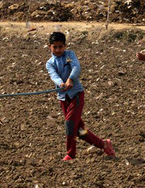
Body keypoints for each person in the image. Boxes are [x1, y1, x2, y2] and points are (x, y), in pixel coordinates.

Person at [46, 31, 115, 161]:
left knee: (70, 123)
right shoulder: (50, 63)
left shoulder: (69, 55)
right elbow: (53, 75)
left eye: (60, 47)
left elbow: (76, 67)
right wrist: (60, 83)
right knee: (78, 130)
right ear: (49, 46)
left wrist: (71, 79)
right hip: (63, 98)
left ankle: (70, 154)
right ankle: (103, 144)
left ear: (65, 46)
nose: (58, 50)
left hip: (76, 95)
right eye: (55, 47)